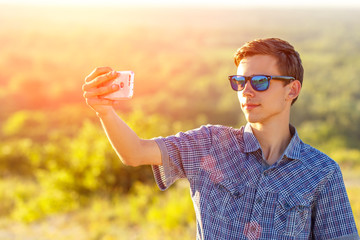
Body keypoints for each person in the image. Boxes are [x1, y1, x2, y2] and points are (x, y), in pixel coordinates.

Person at [82, 38, 359, 239]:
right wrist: (105, 111)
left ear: (292, 89)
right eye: (240, 82)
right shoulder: (209, 143)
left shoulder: (322, 172)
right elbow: (135, 152)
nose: (246, 91)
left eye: (260, 81)